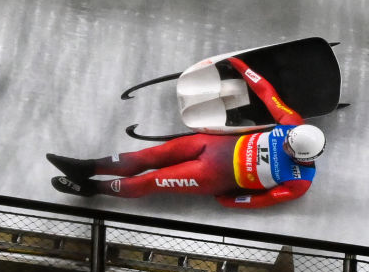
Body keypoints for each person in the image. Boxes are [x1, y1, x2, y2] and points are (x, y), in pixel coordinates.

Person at [47, 55, 325, 208]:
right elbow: (266, 92)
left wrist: (235, 201)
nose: (286, 145)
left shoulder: (299, 182)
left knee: (152, 180)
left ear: (302, 157)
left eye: (289, 149)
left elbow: (263, 200)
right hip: (210, 146)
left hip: (211, 176)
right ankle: (85, 166)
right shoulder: (291, 122)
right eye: (287, 141)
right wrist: (241, 66)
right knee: (147, 156)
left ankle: (92, 188)